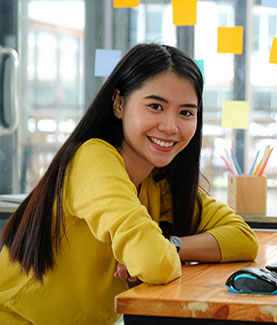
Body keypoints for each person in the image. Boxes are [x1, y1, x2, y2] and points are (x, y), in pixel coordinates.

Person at [0, 43, 259, 324]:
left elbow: (242, 239)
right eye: (155, 106)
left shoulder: (159, 182)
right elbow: (154, 263)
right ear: (119, 103)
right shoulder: (93, 158)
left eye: (186, 112)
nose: (171, 126)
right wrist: (156, 251)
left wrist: (171, 245)